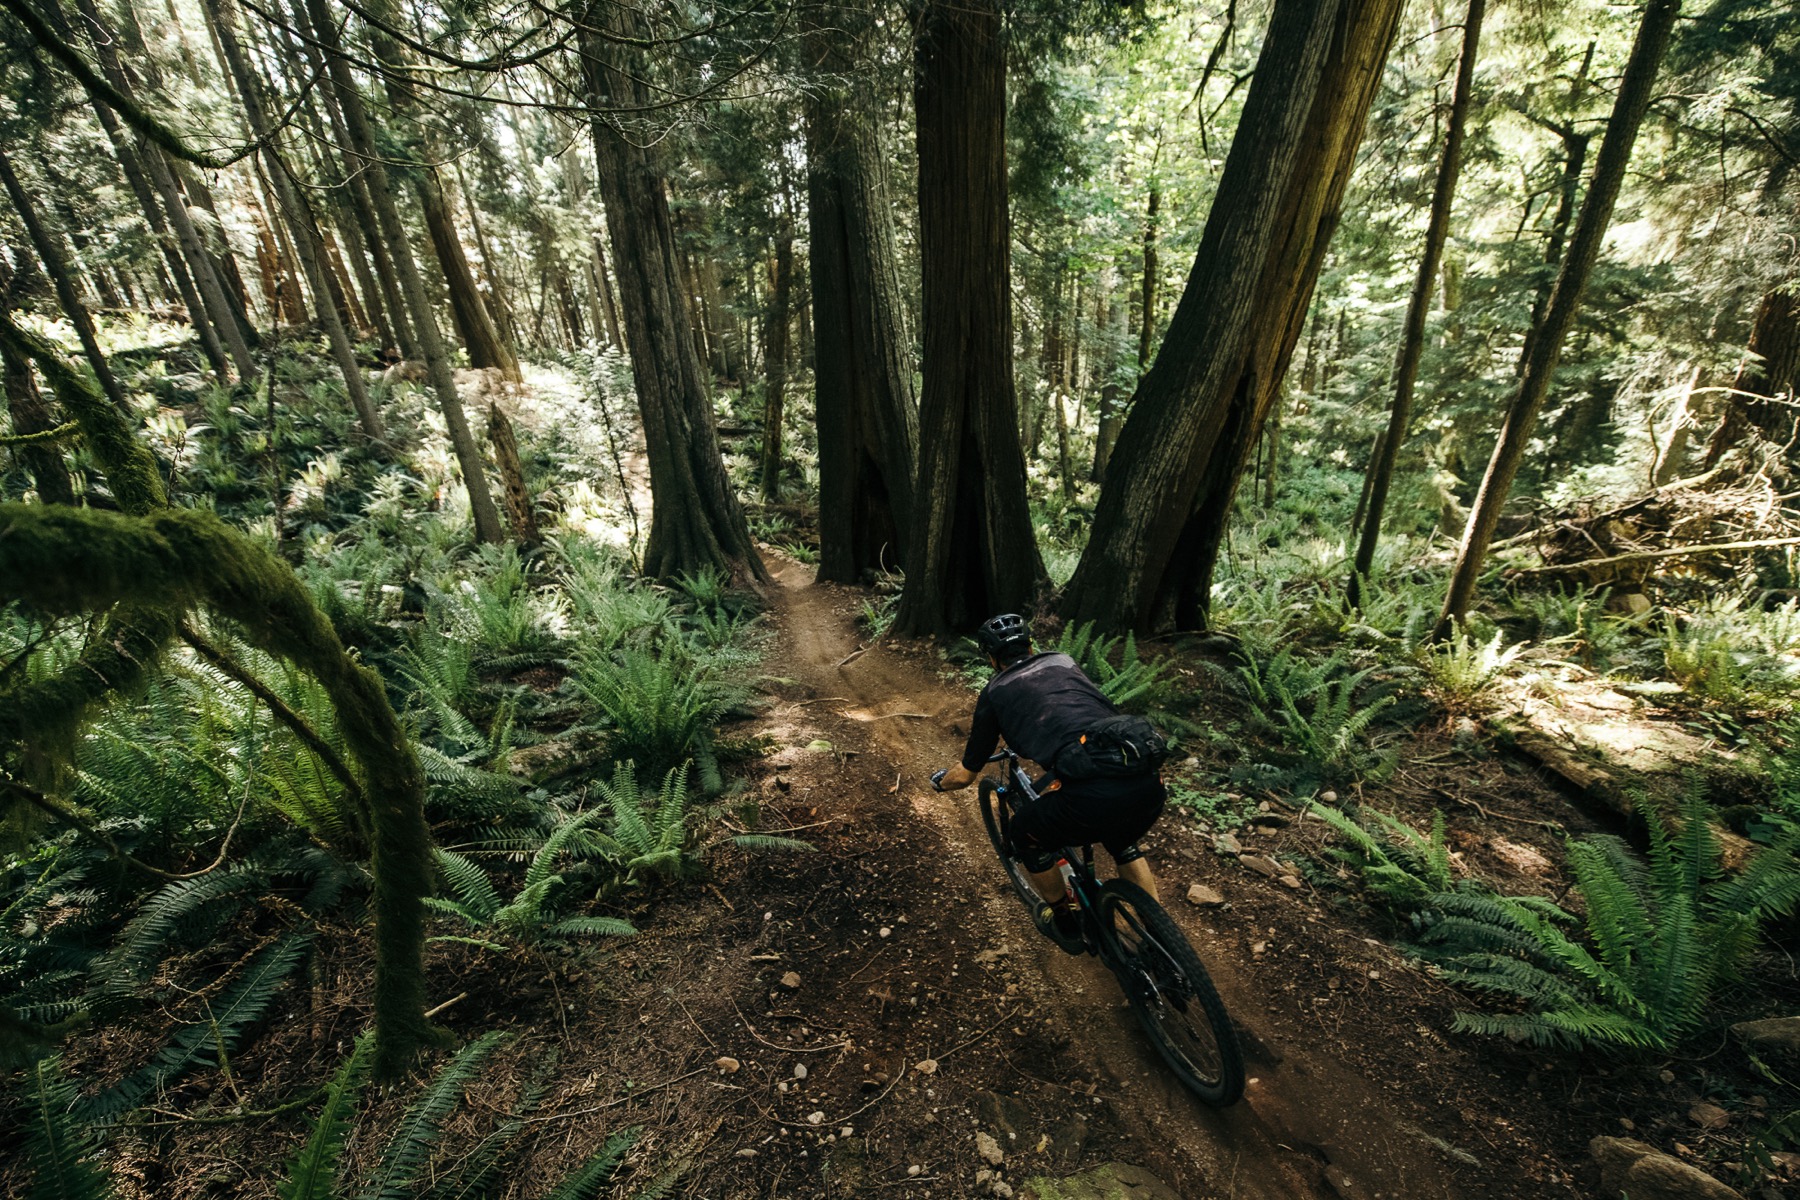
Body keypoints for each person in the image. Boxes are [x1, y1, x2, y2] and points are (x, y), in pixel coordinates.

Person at [931, 613, 1166, 954]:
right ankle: (1161, 941)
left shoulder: (996, 691)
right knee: (1122, 839)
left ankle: (1066, 923)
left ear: (991, 658)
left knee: (1025, 838)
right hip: (1144, 777)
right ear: (1031, 645)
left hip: (1090, 795)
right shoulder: (1064, 661)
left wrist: (941, 783)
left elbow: (966, 774)